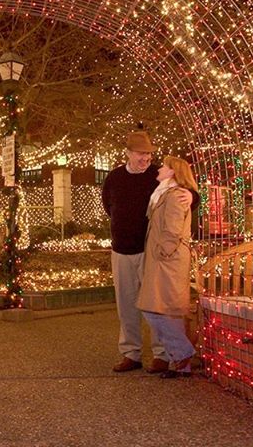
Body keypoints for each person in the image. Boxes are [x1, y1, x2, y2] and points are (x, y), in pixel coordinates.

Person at [101, 131, 199, 373]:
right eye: (140, 153)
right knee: (126, 305)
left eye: (148, 154)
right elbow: (107, 206)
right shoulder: (114, 177)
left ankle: (162, 354)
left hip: (150, 252)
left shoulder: (158, 176)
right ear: (128, 153)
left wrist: (193, 196)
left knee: (157, 304)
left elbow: (182, 192)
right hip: (121, 250)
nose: (145, 158)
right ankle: (131, 353)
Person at [138, 155, 199, 378]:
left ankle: (182, 354)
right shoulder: (164, 193)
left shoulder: (175, 196)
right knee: (165, 309)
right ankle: (182, 363)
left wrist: (162, 252)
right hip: (163, 260)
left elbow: (172, 229)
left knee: (158, 308)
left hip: (167, 261)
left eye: (164, 166)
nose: (159, 169)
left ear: (172, 172)